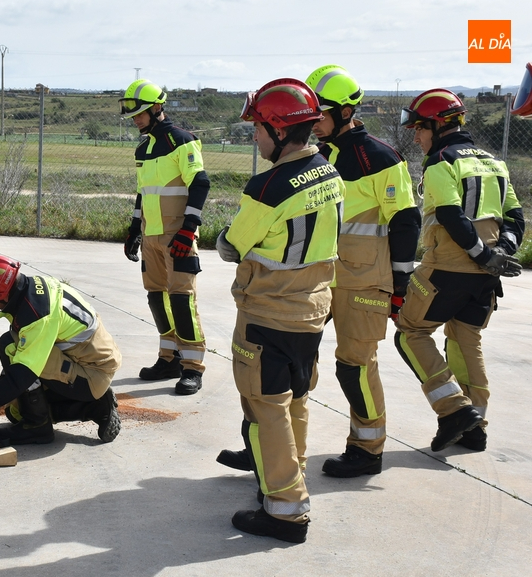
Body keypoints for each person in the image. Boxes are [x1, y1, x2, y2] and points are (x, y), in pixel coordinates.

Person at [214, 78, 344, 543]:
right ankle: (287, 481)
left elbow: (233, 244)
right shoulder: (329, 172)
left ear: (281, 131)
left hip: (267, 314)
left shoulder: (267, 186)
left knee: (266, 407)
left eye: (259, 128)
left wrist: (225, 241)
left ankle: (286, 511)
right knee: (296, 399)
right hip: (312, 311)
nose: (255, 137)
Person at [303, 65, 421, 477]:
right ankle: (278, 440)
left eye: (321, 112)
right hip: (316, 276)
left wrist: (400, 284)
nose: (314, 120)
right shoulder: (314, 155)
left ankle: (368, 449)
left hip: (364, 281)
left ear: (345, 112)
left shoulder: (380, 157)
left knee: (353, 366)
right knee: (293, 358)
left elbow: (406, 222)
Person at [395, 89, 524, 452]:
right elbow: (515, 216)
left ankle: (453, 410)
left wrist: (480, 254)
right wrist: (501, 253)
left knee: (410, 332)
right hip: (487, 275)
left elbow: (451, 215)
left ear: (438, 126)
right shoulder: (493, 162)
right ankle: (475, 428)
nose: (416, 136)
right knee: (466, 340)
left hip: (448, 268)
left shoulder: (441, 162)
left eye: (420, 128)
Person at [0, 255, 122, 445]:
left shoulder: (37, 316)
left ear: (3, 296)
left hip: (91, 375)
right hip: (87, 361)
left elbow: (22, 373)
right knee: (15, 411)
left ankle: (38, 427)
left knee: (12, 349)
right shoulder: (32, 289)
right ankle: (96, 406)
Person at [119, 79, 210, 395]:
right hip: (152, 236)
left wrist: (188, 229)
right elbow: (143, 193)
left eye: (140, 114)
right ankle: (169, 359)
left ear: (157, 108)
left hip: (178, 236)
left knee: (182, 299)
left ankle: (192, 367)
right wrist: (134, 231)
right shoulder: (143, 148)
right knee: (157, 297)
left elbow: (200, 184)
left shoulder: (181, 141)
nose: (136, 120)